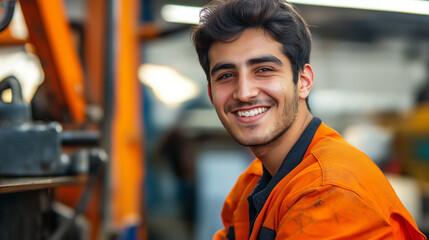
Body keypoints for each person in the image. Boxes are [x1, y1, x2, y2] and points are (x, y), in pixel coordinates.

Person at [191, 0, 426, 239]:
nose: (244, 93)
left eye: (263, 70)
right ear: (211, 94)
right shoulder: (252, 182)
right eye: (227, 75)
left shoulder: (331, 190)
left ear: (303, 82)